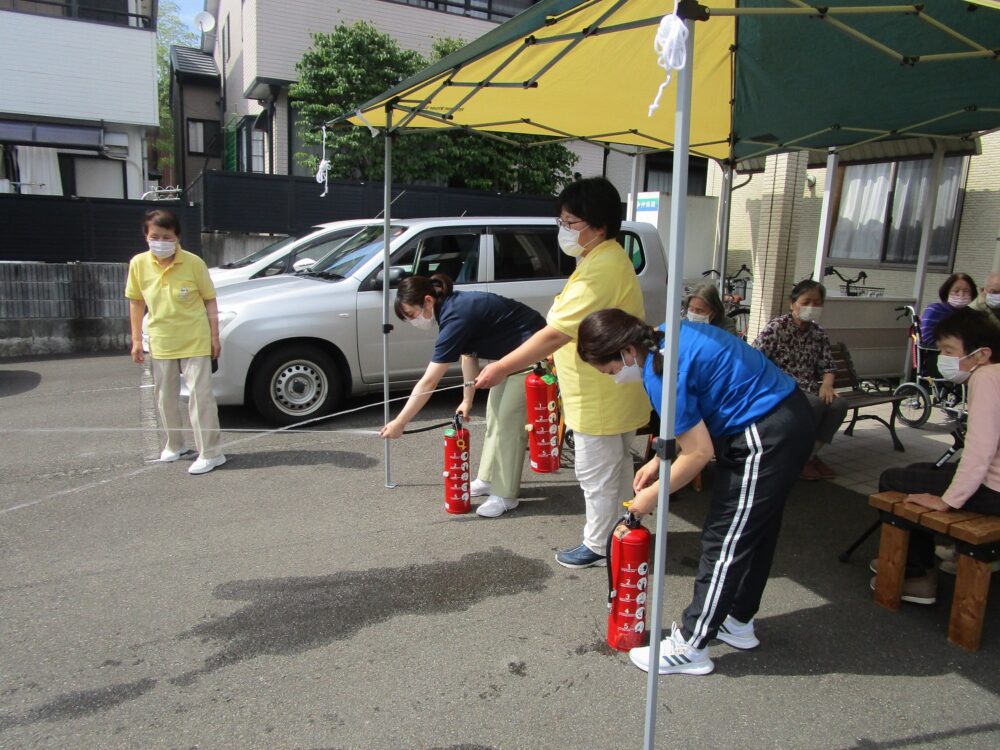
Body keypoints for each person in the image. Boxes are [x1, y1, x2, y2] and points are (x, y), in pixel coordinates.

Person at [576, 309, 813, 676]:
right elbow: (688, 417)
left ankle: (691, 645)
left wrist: (649, 497)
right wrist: (657, 460)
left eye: (609, 370)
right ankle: (737, 619)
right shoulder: (666, 333)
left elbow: (700, 452)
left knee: (724, 539)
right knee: (754, 531)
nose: (614, 378)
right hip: (785, 415)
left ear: (624, 350)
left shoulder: (660, 371)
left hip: (762, 430)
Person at [475, 177, 651, 567]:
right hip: (610, 389)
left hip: (601, 394)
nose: (563, 230)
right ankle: (622, 530)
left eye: (571, 223)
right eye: (563, 221)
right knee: (617, 468)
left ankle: (600, 545)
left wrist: (502, 367)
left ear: (599, 226)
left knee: (597, 473)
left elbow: (555, 332)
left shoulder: (601, 267)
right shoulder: (602, 258)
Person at [380, 274, 545, 517]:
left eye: (412, 315)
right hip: (508, 360)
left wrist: (400, 422)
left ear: (428, 301)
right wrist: (467, 400)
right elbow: (468, 354)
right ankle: (488, 479)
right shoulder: (450, 309)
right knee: (494, 419)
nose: (413, 322)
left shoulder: (455, 315)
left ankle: (506, 494)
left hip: (534, 357)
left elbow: (429, 381)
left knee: (508, 424)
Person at [872, 308, 1000, 603]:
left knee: (892, 479)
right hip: (993, 485)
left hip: (993, 492)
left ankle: (916, 575)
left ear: (982, 354)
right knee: (920, 469)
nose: (943, 358)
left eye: (949, 350)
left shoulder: (986, 378)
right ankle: (948, 554)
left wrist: (948, 500)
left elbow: (981, 449)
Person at [125, 209, 226, 475]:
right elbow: (136, 302)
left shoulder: (194, 263)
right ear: (146, 236)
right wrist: (136, 339)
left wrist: (215, 336)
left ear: (177, 237)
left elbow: (209, 300)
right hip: (161, 339)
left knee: (200, 396)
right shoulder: (138, 263)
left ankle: (211, 452)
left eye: (166, 236)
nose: (160, 241)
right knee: (164, 397)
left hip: (195, 338)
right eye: (155, 236)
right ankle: (175, 444)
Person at [752, 280, 848, 481]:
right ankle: (796, 457)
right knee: (814, 404)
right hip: (781, 388)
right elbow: (755, 359)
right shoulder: (776, 328)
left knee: (838, 404)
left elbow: (828, 365)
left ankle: (809, 455)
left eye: (817, 303)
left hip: (810, 386)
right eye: (806, 301)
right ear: (792, 303)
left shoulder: (818, 333)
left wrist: (827, 384)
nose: (811, 307)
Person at [918, 272, 977, 348]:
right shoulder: (934, 310)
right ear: (947, 292)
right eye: (956, 291)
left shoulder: (973, 314)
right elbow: (927, 339)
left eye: (966, 291)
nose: (961, 294)